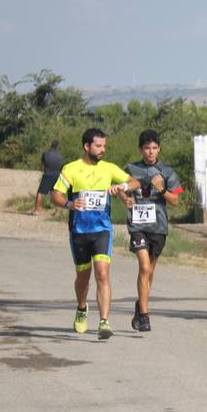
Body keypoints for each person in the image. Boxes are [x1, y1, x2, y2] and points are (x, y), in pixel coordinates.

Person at [50, 128, 140, 340]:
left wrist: (122, 186)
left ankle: (104, 321)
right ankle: (82, 308)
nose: (102, 150)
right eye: (98, 146)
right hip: (79, 231)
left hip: (102, 230)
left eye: (104, 146)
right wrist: (70, 203)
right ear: (87, 146)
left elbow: (134, 182)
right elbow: (55, 195)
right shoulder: (71, 169)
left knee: (102, 273)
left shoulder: (109, 169)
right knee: (83, 276)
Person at [121, 130, 183, 332]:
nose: (151, 152)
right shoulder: (131, 169)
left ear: (159, 149)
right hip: (137, 226)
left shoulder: (167, 171)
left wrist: (163, 190)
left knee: (150, 271)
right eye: (147, 148)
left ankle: (141, 304)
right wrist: (126, 199)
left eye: (154, 148)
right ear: (141, 149)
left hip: (158, 226)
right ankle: (145, 317)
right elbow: (121, 188)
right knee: (144, 267)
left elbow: (175, 201)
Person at [32, 140, 63, 214]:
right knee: (55, 193)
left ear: (50, 145)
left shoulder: (45, 153)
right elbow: (60, 166)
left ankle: (36, 210)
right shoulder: (60, 156)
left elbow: (43, 162)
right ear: (58, 146)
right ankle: (57, 211)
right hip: (57, 175)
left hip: (48, 174)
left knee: (40, 192)